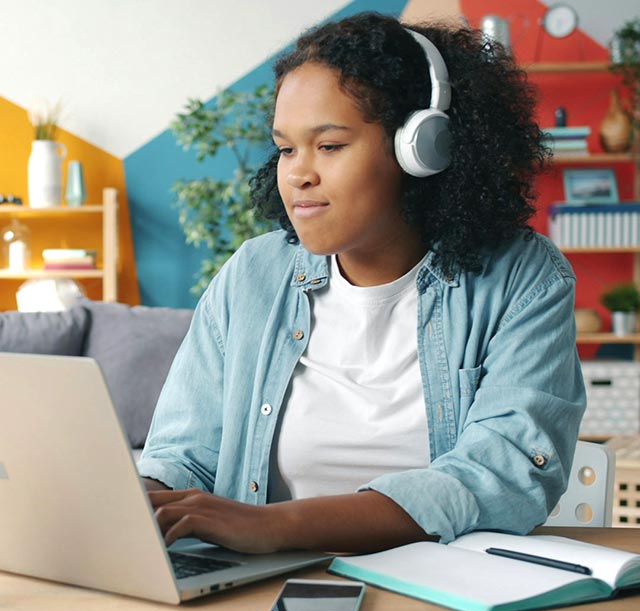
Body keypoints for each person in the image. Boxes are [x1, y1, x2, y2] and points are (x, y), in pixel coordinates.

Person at [138, 12, 586, 553]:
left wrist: (277, 525)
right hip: (261, 595)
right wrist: (139, 500)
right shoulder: (253, 275)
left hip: (446, 596)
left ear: (421, 149)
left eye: (329, 146)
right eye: (285, 149)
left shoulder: (522, 279)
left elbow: (504, 474)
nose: (299, 173)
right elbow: (185, 455)